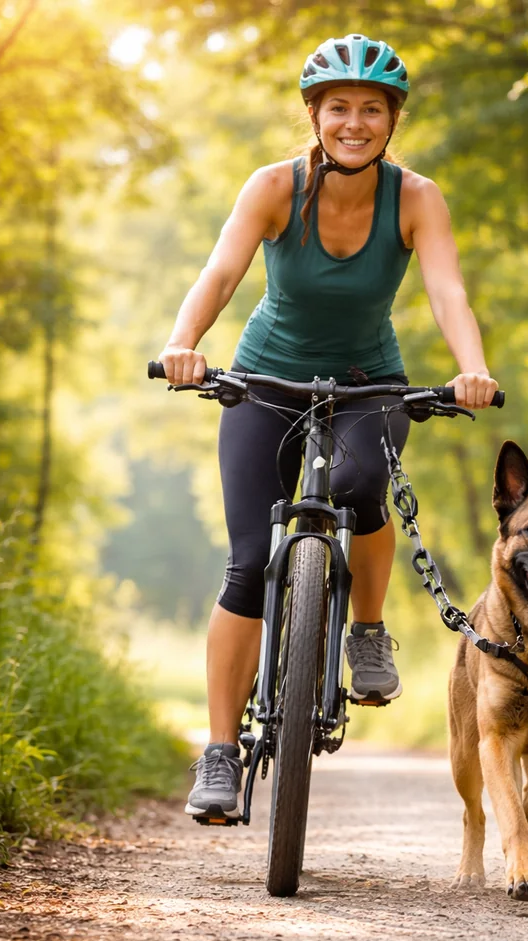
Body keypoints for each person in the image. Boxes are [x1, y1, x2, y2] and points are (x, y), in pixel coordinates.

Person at [158, 34, 499, 821]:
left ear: (391, 121)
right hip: (265, 376)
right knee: (248, 562)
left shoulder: (415, 197)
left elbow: (448, 292)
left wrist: (471, 367)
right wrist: (185, 345)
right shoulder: (274, 187)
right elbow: (221, 270)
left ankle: (367, 632)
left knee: (360, 486)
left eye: (370, 110)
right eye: (338, 107)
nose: (354, 122)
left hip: (368, 382)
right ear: (313, 116)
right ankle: (218, 752)